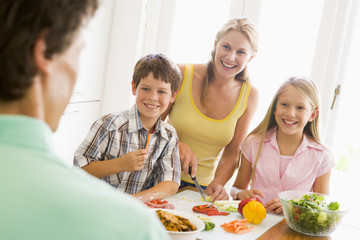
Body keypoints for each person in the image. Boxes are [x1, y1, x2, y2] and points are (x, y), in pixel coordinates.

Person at [0, 1, 170, 239]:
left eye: (162, 91)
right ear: (45, 52)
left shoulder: (168, 135)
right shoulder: (133, 227)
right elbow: (81, 165)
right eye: (79, 51)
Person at [161, 17, 259, 200]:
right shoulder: (181, 73)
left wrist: (218, 184)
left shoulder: (249, 95)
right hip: (160, 177)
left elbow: (231, 154)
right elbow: (150, 126)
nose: (230, 57)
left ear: (251, 57)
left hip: (200, 189)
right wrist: (176, 144)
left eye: (241, 52)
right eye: (226, 47)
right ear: (215, 44)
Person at [74, 53, 181, 197]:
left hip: (135, 209)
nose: (153, 97)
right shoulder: (109, 125)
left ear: (172, 96)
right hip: (98, 206)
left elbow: (171, 182)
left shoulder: (169, 135)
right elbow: (79, 168)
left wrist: (132, 202)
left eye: (161, 91)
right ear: (134, 87)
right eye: (145, 89)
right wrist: (119, 164)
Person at [231, 76, 335, 214]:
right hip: (255, 224)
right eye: (284, 104)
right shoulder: (253, 143)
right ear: (275, 108)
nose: (290, 113)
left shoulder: (322, 156)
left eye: (300, 107)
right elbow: (236, 188)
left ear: (313, 115)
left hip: (294, 229)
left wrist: (294, 206)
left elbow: (323, 204)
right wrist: (240, 194)